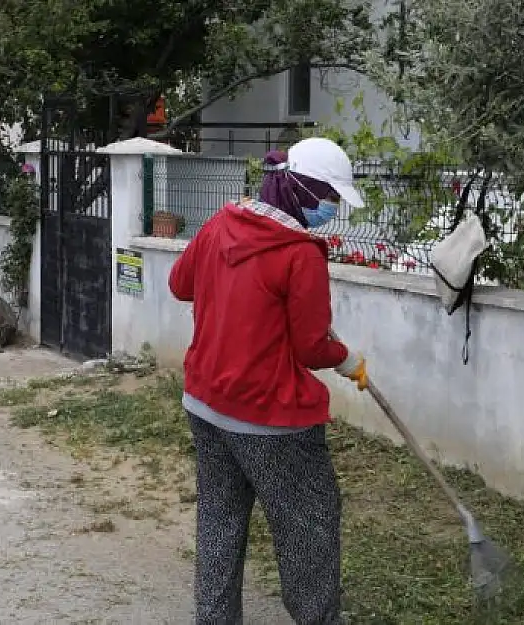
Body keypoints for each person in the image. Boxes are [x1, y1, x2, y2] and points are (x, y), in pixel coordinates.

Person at [167, 137, 370, 625]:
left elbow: (180, 284)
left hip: (206, 405)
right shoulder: (301, 254)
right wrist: (348, 360)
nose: (332, 208)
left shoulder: (220, 224)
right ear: (301, 189)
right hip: (269, 418)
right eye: (330, 197)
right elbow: (310, 348)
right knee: (308, 523)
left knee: (220, 516)